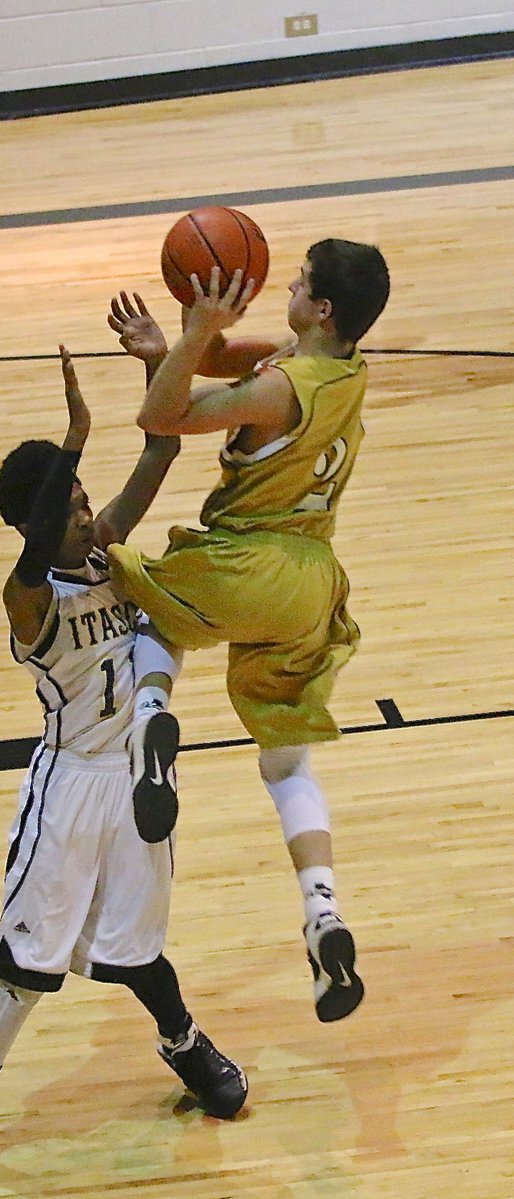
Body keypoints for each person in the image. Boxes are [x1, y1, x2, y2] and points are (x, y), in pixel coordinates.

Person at [0, 345, 248, 1192]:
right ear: (36, 522)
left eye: (81, 500)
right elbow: (38, 549)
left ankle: (185, 1047)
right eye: (68, 507)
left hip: (137, 773)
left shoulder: (105, 551)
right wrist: (73, 435)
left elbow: (162, 450)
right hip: (69, 783)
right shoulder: (28, 599)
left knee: (138, 947)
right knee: (27, 961)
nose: (85, 514)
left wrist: (163, 365)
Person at [106, 238, 391, 1025]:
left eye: (299, 282)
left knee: (140, 598)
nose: (287, 287)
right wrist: (177, 344)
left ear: (323, 308)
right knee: (287, 762)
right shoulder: (337, 365)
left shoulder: (284, 388)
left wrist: (187, 341)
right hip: (311, 583)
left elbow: (161, 416)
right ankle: (323, 913)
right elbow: (224, 356)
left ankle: (153, 720)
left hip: (246, 562)